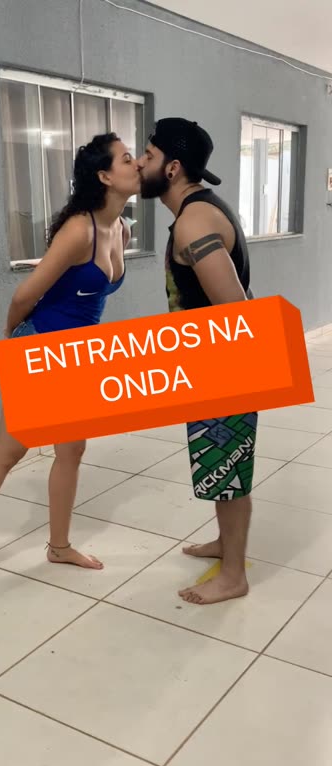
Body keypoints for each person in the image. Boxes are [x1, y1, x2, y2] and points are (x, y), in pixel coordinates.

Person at [0, 133, 139, 592]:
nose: (136, 164)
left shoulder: (121, 228)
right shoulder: (80, 231)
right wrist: (15, 341)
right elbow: (24, 295)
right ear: (104, 176)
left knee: (72, 449)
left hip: (77, 356)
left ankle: (59, 546)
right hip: (41, 349)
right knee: (9, 451)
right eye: (127, 158)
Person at [138, 117, 256, 605]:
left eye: (148, 156)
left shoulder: (194, 222)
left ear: (172, 168)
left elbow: (235, 311)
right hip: (211, 364)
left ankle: (234, 575)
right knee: (220, 465)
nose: (140, 163)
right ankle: (225, 545)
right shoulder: (200, 209)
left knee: (229, 468)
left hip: (225, 367)